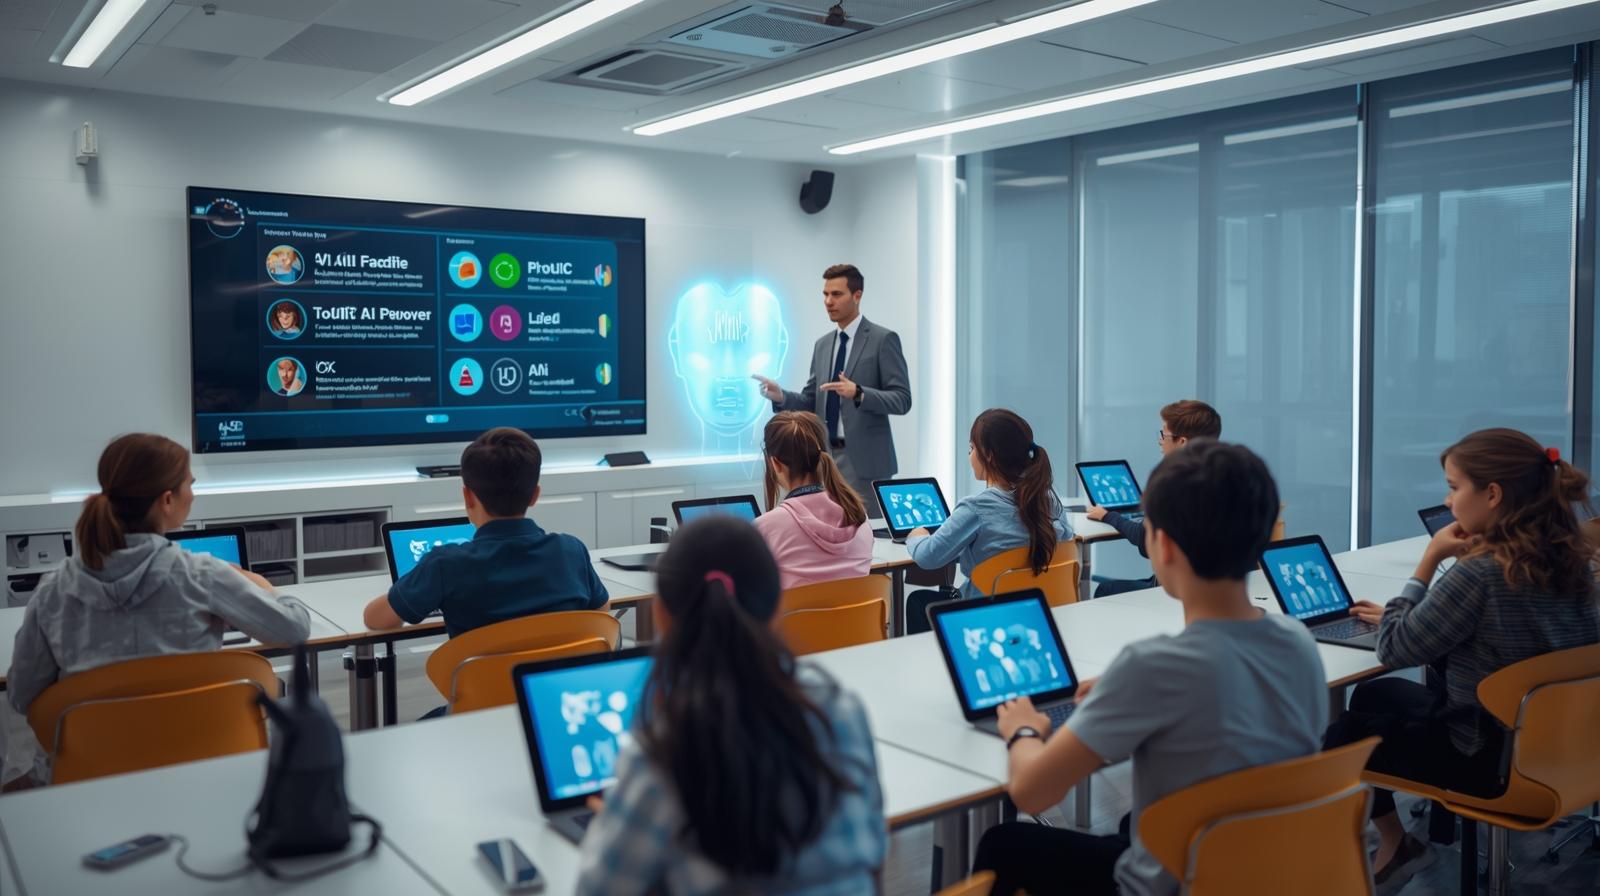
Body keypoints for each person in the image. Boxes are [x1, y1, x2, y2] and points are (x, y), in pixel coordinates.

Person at [973, 441, 1327, 896]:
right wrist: (1123, 692)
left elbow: (1032, 793)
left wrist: (1022, 730)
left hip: (1181, 883)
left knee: (1005, 843)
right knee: (1127, 822)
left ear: (1161, 544)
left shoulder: (1152, 668)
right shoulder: (1297, 641)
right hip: (1266, 872)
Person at [1324, 428, 1600, 893]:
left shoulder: (1480, 573)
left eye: (1454, 488)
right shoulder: (1576, 561)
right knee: (1375, 692)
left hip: (1488, 761)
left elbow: (1394, 649)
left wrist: (1428, 563)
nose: (1449, 503)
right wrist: (1418, 613)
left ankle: (1397, 845)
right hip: (1566, 751)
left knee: (1340, 734)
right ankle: (1428, 836)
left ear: (1492, 494)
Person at [576, 516, 886, 894]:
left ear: (661, 615)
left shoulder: (662, 751)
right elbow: (873, 858)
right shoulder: (841, 713)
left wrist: (615, 822)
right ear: (777, 607)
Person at [7, 434, 311, 720]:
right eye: (189, 484)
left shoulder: (53, 590)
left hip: (90, 771)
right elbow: (294, 630)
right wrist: (266, 587)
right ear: (167, 500)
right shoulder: (202, 574)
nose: (193, 494)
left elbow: (21, 697)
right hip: (196, 759)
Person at [362, 428, 609, 639]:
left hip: (482, 694)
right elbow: (601, 615)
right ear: (535, 495)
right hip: (552, 691)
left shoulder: (444, 564)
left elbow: (375, 619)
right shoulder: (570, 550)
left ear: (467, 496)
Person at [756, 264, 912, 516]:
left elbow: (902, 399)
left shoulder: (883, 339)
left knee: (867, 536)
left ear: (857, 295)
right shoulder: (823, 345)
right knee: (830, 530)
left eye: (836, 294)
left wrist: (859, 392)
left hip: (865, 462)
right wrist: (781, 396)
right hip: (824, 458)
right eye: (825, 294)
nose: (829, 301)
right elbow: (811, 399)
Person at [902, 409, 1073, 634]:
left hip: (985, 616)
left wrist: (917, 536)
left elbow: (928, 557)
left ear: (989, 455)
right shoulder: (1048, 498)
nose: (970, 456)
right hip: (1038, 610)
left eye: (971, 449)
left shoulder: (976, 508)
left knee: (919, 599)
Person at [1088, 400, 1222, 597]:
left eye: (1164, 435)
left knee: (1106, 589)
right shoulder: (1223, 479)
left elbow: (1145, 540)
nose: (1160, 440)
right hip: (1216, 585)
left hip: (1180, 590)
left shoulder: (1174, 484)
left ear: (1182, 442)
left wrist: (1108, 516)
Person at [754, 411, 875, 590]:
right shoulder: (859, 518)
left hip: (794, 619)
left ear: (775, 464)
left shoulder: (765, 528)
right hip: (858, 619)